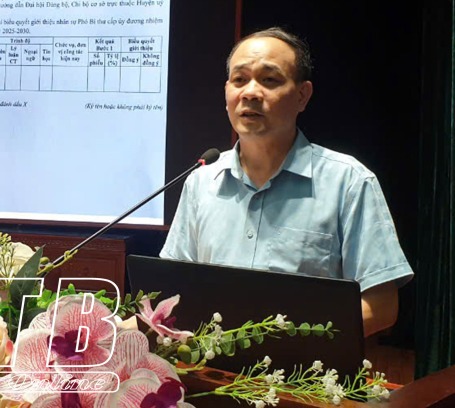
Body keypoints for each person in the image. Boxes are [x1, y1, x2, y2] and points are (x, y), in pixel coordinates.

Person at [160, 27, 413, 337]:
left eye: (269, 80)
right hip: (212, 364)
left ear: (302, 95)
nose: (250, 92)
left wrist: (284, 343)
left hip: (304, 366)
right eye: (239, 80)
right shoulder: (202, 181)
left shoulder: (347, 181)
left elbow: (380, 306)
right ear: (227, 92)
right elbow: (173, 294)